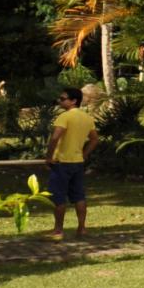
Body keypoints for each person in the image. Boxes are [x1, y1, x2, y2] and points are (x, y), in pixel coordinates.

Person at [46, 87, 98, 239]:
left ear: (74, 101)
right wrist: (84, 154)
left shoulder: (64, 117)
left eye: (63, 99)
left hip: (61, 162)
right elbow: (94, 139)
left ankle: (58, 230)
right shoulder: (87, 118)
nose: (60, 101)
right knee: (79, 196)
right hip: (78, 163)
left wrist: (49, 157)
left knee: (58, 197)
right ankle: (82, 229)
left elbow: (55, 138)